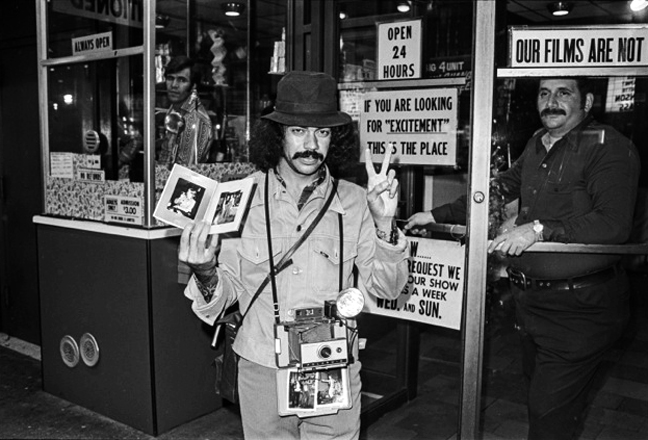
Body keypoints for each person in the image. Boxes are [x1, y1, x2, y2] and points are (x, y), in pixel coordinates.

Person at [404, 77, 640, 440]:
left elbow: (613, 224)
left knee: (549, 415)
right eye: (545, 93)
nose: (552, 102)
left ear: (588, 101)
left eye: (564, 93)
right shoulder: (537, 143)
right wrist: (437, 215)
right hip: (534, 307)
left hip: (580, 310)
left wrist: (538, 229)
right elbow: (496, 191)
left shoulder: (608, 147)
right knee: (544, 403)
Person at [178, 70, 409, 439]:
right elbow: (226, 294)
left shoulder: (356, 200)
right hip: (262, 368)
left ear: (335, 138)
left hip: (332, 365)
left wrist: (385, 225)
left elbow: (389, 287)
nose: (311, 144)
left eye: (322, 132)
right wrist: (205, 271)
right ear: (279, 134)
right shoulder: (242, 198)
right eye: (298, 130)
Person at [157, 56, 213, 166]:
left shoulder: (196, 119)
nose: (174, 85)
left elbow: (186, 174)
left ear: (193, 86)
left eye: (182, 80)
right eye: (170, 78)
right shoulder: (174, 110)